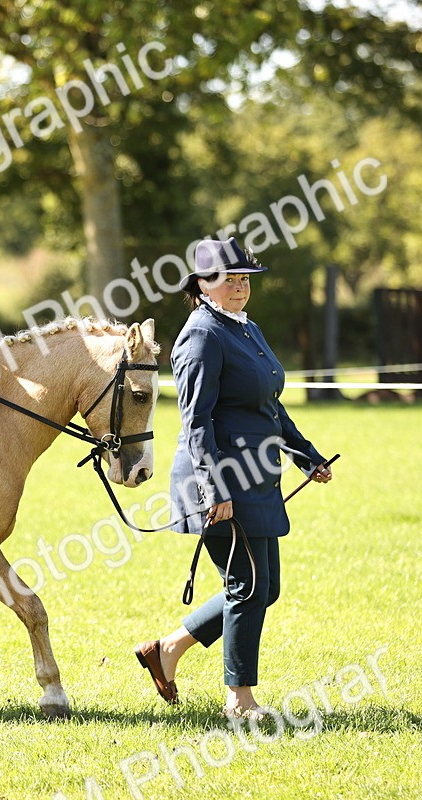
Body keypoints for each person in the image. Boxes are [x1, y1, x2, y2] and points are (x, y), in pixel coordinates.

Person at [134, 237, 333, 718]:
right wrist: (213, 489)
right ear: (203, 285)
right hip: (219, 479)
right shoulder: (201, 335)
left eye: (245, 278)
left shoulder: (245, 328)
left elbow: (269, 403)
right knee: (247, 586)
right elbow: (195, 420)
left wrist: (307, 455)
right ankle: (239, 702)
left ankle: (168, 649)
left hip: (258, 477)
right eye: (229, 278)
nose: (240, 286)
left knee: (266, 588)